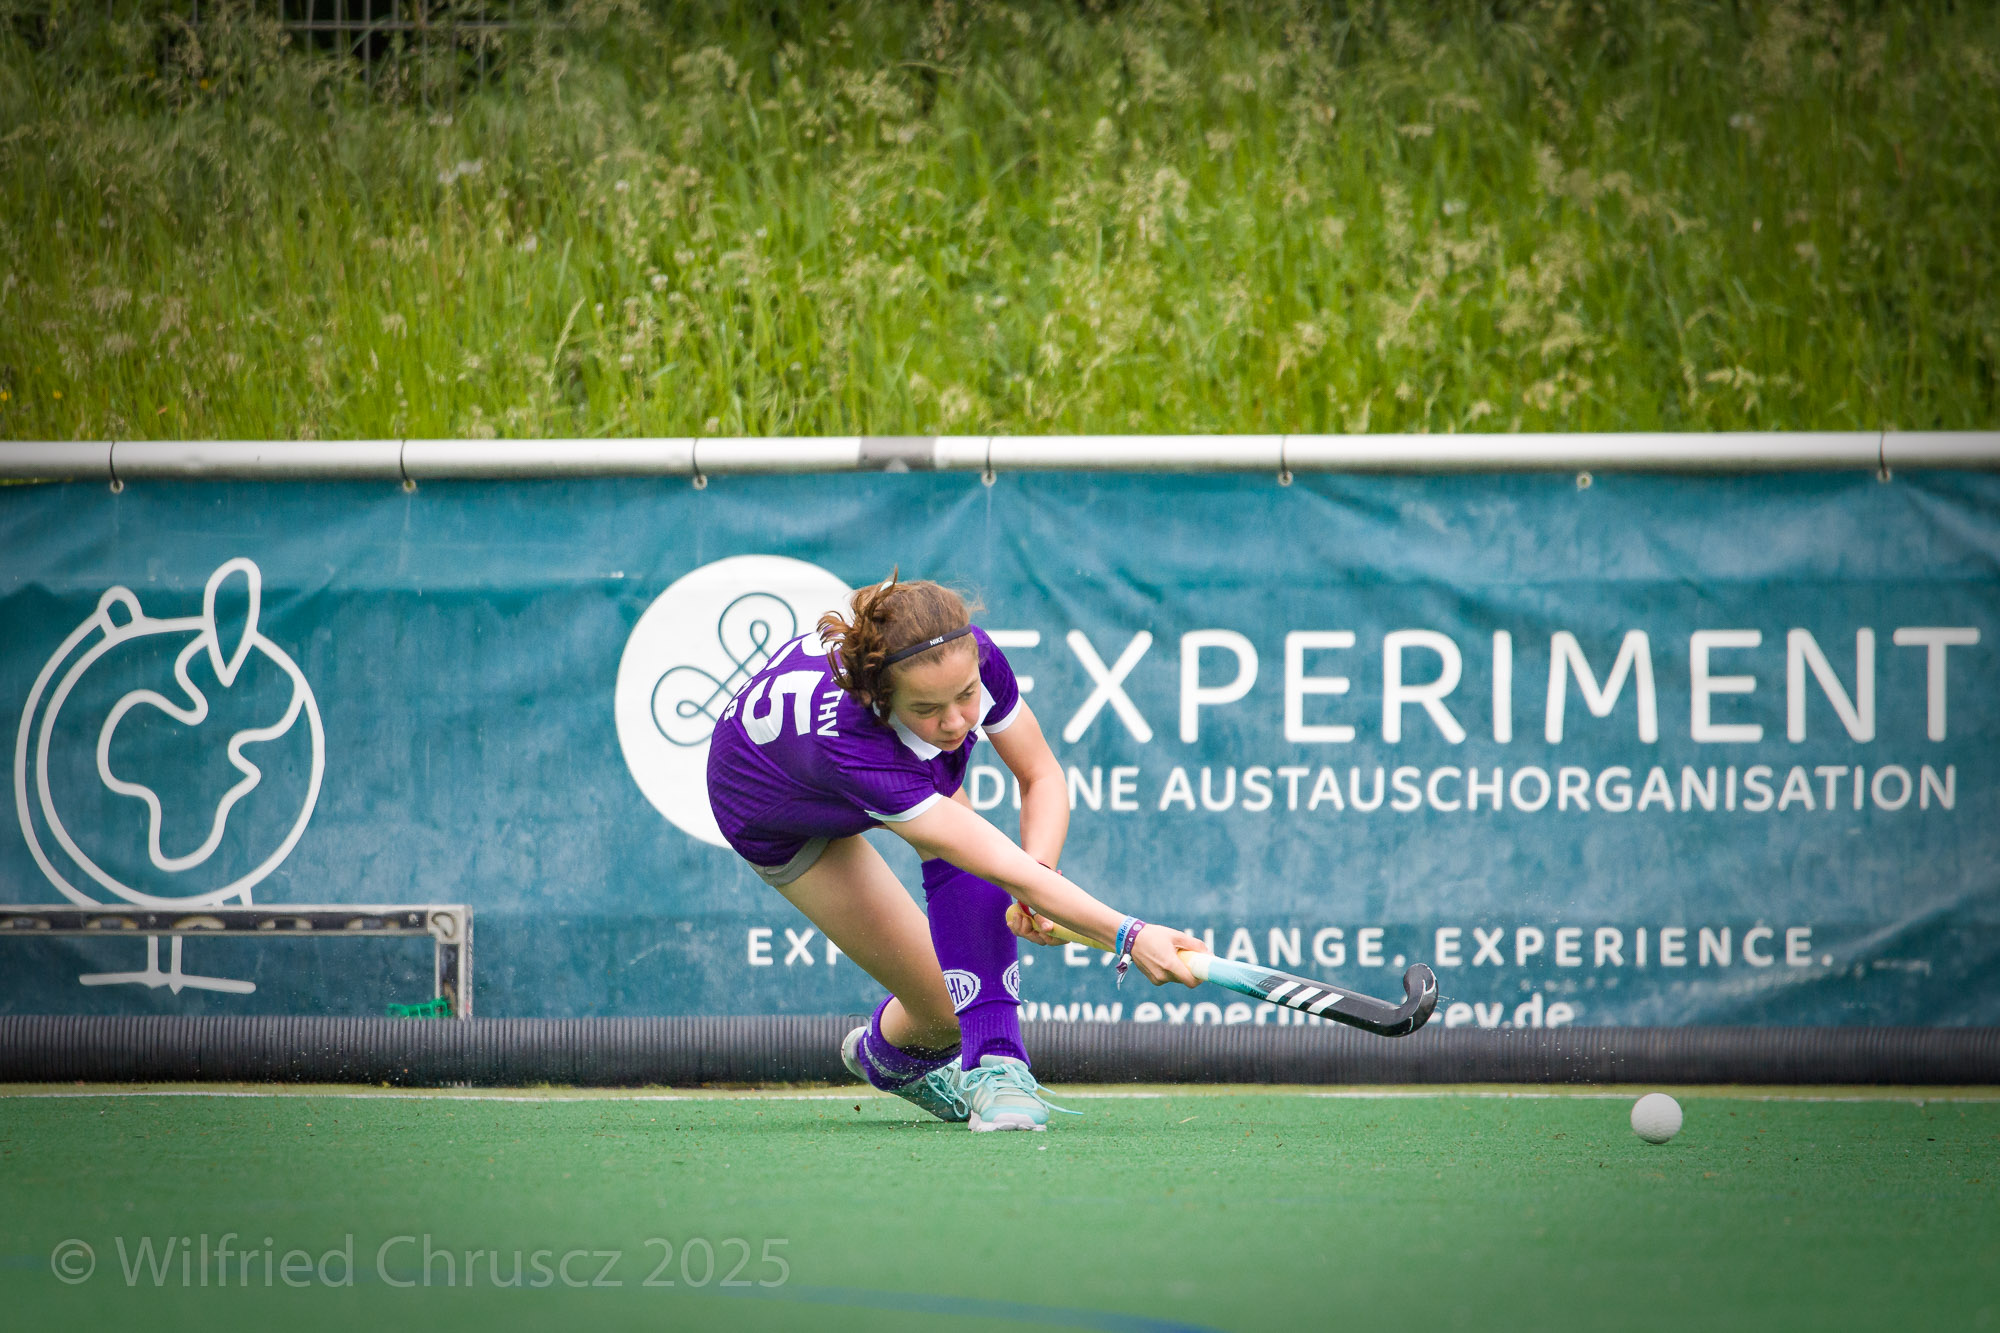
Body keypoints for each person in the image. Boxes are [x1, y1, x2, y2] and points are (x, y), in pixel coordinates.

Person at [705, 573, 1208, 1131]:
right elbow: (996, 863)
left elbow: (1040, 775)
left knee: (946, 1015)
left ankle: (885, 1058)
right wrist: (1131, 936)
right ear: (879, 697)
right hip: (769, 807)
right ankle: (998, 1066)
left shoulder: (967, 655)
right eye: (926, 708)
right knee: (973, 868)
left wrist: (1038, 874)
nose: (955, 723)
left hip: (846, 754)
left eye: (967, 696)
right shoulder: (856, 743)